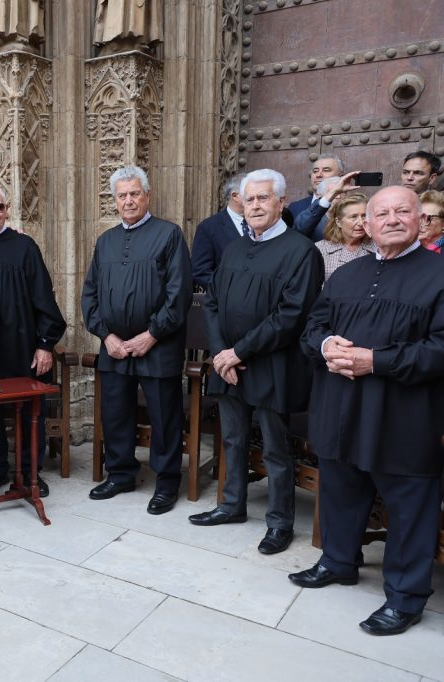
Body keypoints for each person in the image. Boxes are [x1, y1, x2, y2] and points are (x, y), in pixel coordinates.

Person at [291, 186, 444, 636]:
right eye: (382, 213)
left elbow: (440, 348)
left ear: (422, 220)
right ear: (368, 223)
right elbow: (313, 326)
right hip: (341, 406)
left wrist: (375, 360)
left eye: (403, 211)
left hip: (406, 414)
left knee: (410, 506)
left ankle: (405, 597)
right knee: (340, 488)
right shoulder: (347, 273)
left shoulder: (439, 273)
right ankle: (339, 562)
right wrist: (324, 344)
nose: (392, 219)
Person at [189, 169, 324, 556]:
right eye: (250, 200)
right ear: (240, 204)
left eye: (264, 198)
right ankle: (232, 505)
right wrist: (220, 352)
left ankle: (280, 522)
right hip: (228, 363)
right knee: (231, 438)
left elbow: (291, 315)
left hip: (272, 365)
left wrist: (239, 352)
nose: (256, 206)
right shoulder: (233, 249)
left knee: (276, 450)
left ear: (282, 202)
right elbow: (211, 302)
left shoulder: (301, 252)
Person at [82, 165, 192, 515]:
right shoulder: (105, 241)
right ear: (114, 201)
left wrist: (152, 334)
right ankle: (120, 474)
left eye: (135, 193)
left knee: (164, 416)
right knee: (115, 413)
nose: (128, 200)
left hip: (158, 345)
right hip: (114, 347)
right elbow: (90, 296)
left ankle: (166, 482)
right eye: (122, 195)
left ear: (148, 195)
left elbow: (179, 295)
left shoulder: (169, 235)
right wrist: (106, 335)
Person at [0, 185, 66, 497]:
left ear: (7, 208)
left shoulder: (24, 246)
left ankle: (30, 470)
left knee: (30, 411)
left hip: (22, 346)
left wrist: (45, 344)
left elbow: (44, 299)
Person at [191, 173, 247, 290]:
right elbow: (201, 271)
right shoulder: (209, 227)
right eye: (250, 193)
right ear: (235, 196)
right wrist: (228, 291)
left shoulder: (261, 223)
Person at [314, 190, 375, 280]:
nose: (361, 223)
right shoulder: (320, 249)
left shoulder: (379, 248)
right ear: (338, 222)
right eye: (353, 217)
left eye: (364, 216)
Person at [287, 155, 344, 220]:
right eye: (315, 171)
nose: (318, 175)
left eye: (326, 170)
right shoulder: (295, 207)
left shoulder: (351, 204)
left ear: (341, 176)